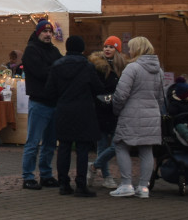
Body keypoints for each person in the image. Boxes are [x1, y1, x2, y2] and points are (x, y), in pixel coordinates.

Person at [45, 36, 104, 197]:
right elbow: (98, 88)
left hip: (63, 110)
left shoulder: (57, 66)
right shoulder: (88, 66)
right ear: (82, 48)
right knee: (82, 149)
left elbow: (49, 90)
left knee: (63, 147)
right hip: (84, 110)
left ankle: (64, 184)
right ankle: (80, 185)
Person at [110, 36, 164, 198]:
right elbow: (161, 97)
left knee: (121, 145)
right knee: (147, 150)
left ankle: (126, 184)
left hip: (131, 114)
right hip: (152, 114)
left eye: (131, 48)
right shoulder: (159, 70)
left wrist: (116, 109)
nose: (129, 50)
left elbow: (121, 95)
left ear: (137, 49)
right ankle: (143, 187)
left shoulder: (132, 68)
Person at [21, 19, 63, 190]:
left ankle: (46, 174)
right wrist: (55, 70)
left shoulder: (54, 50)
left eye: (50, 32)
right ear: (38, 33)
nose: (47, 35)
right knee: (33, 141)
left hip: (54, 102)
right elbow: (40, 72)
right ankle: (28, 176)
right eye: (44, 32)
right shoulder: (31, 50)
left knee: (50, 143)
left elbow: (61, 68)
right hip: (39, 102)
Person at [87, 36, 126, 188]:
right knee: (102, 145)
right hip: (101, 110)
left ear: (117, 50)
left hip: (116, 110)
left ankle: (94, 166)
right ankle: (107, 177)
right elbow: (97, 89)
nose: (107, 49)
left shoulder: (122, 67)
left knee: (118, 144)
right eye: (105, 46)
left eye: (111, 47)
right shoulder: (97, 66)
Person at [168, 78, 188, 148]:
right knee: (180, 127)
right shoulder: (175, 104)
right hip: (182, 122)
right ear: (184, 96)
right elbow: (172, 113)